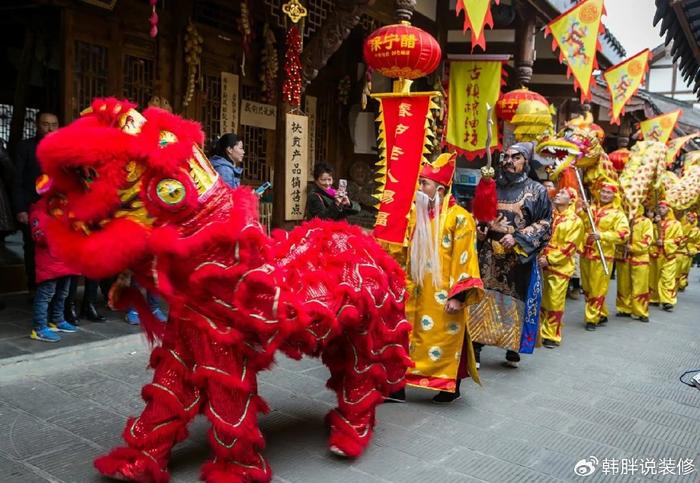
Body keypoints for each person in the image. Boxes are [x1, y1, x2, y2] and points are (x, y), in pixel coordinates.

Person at [388, 153, 483, 404]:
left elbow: (465, 259)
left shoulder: (459, 217)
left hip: (443, 292)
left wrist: (459, 296)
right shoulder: (418, 214)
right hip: (416, 289)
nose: (420, 188)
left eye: (424, 184)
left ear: (439, 189)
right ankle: (397, 387)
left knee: (447, 338)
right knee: (405, 335)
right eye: (419, 182)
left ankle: (450, 385)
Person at [471, 142, 552, 368]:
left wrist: (517, 238)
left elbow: (546, 222)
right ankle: (475, 348)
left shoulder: (537, 191)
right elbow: (479, 213)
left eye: (515, 157)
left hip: (518, 255)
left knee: (513, 299)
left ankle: (511, 345)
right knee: (482, 296)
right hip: (489, 253)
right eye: (506, 157)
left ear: (526, 161)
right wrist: (480, 229)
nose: (509, 161)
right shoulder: (492, 186)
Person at [12, 112, 59, 292]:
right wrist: (20, 209)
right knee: (32, 249)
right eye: (45, 124)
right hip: (32, 206)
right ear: (37, 126)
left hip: (57, 208)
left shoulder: (63, 147)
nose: (49, 128)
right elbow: (17, 180)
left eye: (54, 124)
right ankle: (34, 288)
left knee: (56, 250)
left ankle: (53, 293)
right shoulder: (25, 147)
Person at [580, 181, 629, 331]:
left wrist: (603, 235)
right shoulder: (590, 209)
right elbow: (580, 225)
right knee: (587, 288)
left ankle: (592, 318)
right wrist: (582, 212)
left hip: (603, 255)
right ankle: (601, 313)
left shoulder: (617, 214)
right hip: (586, 253)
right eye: (603, 191)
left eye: (609, 192)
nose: (605, 195)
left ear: (614, 195)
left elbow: (624, 234)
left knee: (597, 288)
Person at [538, 187, 583, 348]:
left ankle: (552, 334)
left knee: (555, 302)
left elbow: (569, 248)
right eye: (558, 192)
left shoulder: (575, 221)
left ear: (571, 200)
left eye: (563, 193)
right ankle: (540, 332)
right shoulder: (549, 215)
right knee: (542, 299)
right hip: (541, 263)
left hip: (559, 267)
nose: (558, 194)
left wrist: (549, 259)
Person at [29, 199, 78, 342]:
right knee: (45, 295)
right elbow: (38, 236)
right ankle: (39, 328)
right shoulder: (39, 212)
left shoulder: (67, 209)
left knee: (63, 293)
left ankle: (57, 320)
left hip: (66, 262)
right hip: (50, 263)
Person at [615, 206, 653, 322]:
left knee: (640, 285)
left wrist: (632, 247)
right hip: (623, 257)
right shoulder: (622, 220)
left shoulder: (646, 221)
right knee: (623, 284)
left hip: (640, 258)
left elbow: (647, 239)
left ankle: (641, 311)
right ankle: (624, 308)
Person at [650, 201, 683, 312]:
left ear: (668, 209)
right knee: (654, 277)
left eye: (663, 208)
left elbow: (679, 240)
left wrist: (665, 242)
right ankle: (654, 298)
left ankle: (667, 301)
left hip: (669, 255)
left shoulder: (676, 224)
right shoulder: (654, 223)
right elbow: (649, 238)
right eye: (658, 207)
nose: (660, 209)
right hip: (655, 254)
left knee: (667, 278)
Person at [676, 211, 699, 292]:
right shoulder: (680, 226)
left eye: (693, 218)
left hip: (688, 253)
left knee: (684, 270)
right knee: (676, 269)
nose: (690, 219)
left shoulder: (696, 230)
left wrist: (693, 250)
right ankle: (674, 284)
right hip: (678, 251)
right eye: (689, 217)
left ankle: (681, 284)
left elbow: (698, 243)